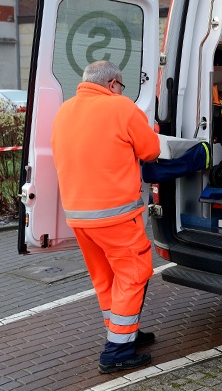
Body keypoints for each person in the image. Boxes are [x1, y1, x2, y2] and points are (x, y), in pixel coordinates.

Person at [51, 60, 161, 373]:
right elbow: (151, 151)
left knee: (106, 280)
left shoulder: (65, 111)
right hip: (116, 217)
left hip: (79, 218)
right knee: (133, 275)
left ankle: (124, 335)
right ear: (113, 84)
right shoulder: (121, 108)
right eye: (121, 87)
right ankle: (116, 352)